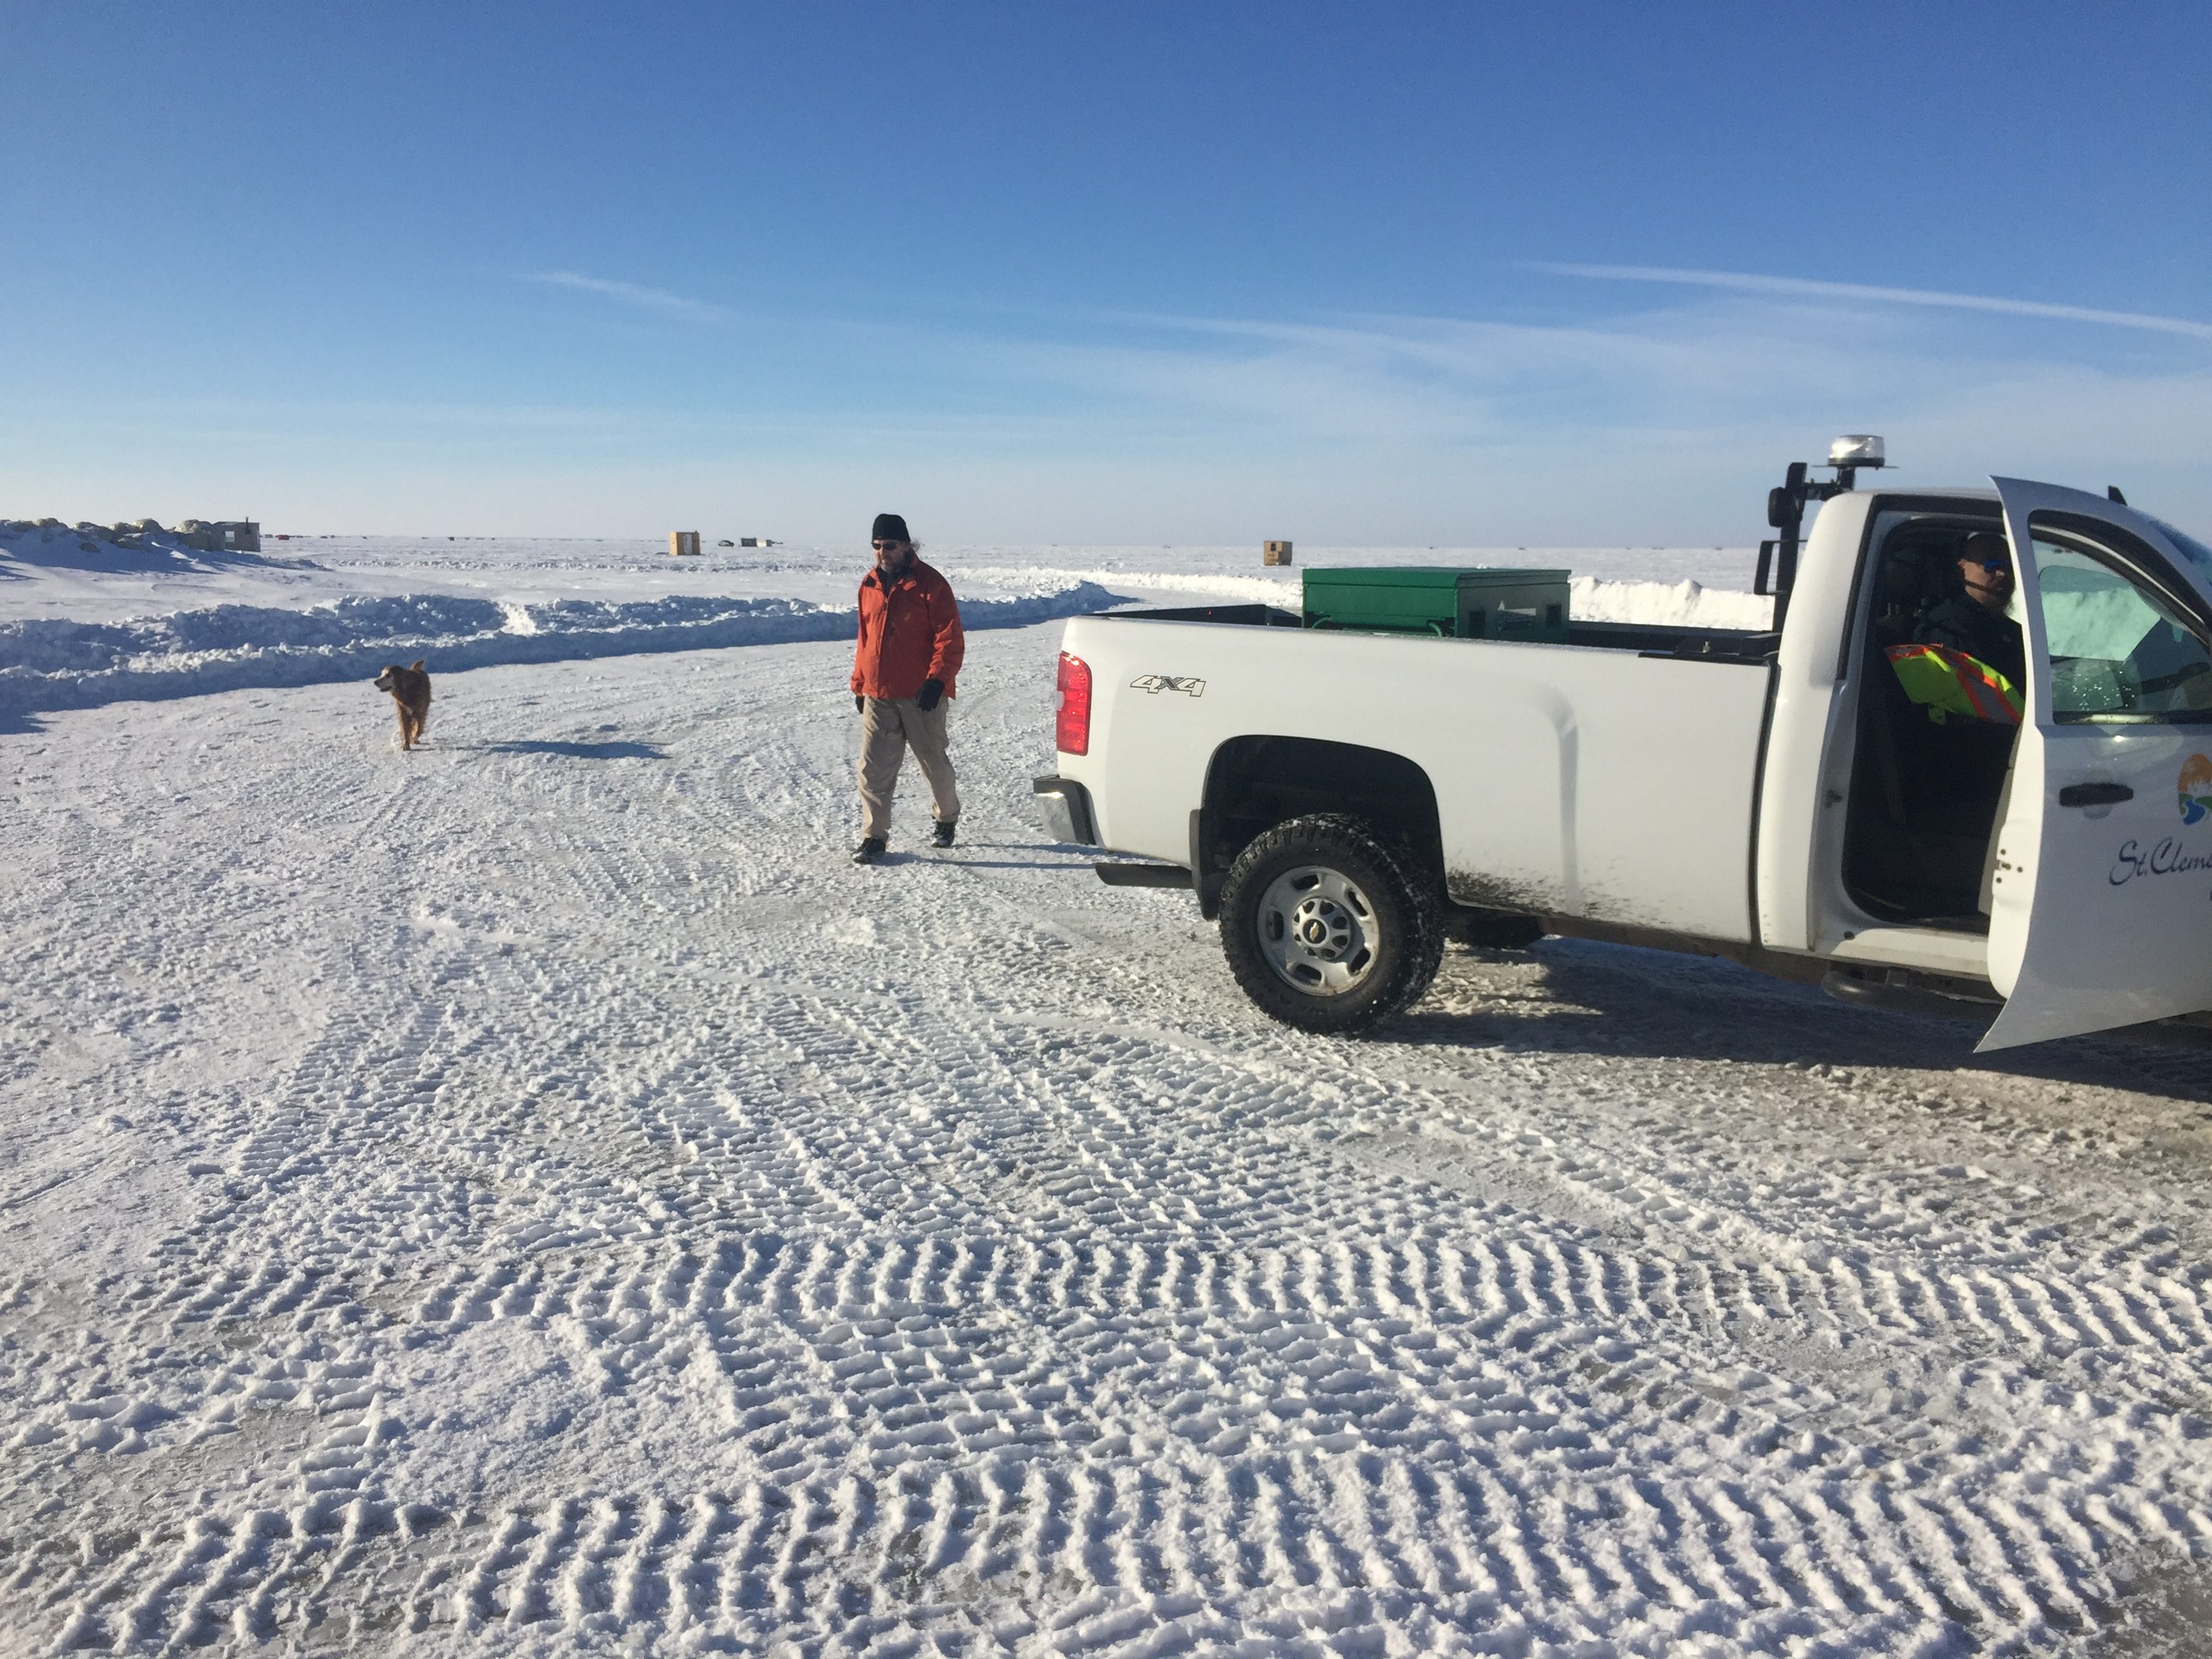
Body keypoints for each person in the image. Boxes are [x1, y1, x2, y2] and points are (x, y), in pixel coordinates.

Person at [849, 513, 964, 864]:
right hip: (879, 694)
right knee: (873, 770)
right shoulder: (869, 584)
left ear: (907, 545)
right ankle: (874, 838)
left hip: (921, 695)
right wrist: (859, 684)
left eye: (890, 546)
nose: (883, 553)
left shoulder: (931, 585)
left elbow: (950, 638)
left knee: (933, 764)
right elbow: (865, 639)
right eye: (877, 546)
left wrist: (937, 680)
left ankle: (946, 818)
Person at [1889, 531, 2028, 725]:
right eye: (1991, 564)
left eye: (2008, 565)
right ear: (1962, 570)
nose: (2003, 573)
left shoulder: (2011, 630)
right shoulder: (1947, 627)